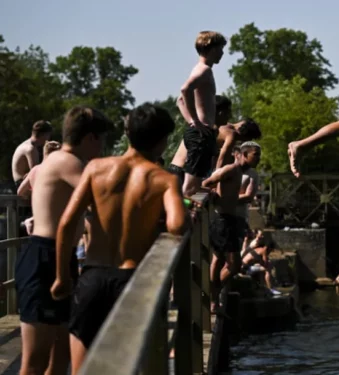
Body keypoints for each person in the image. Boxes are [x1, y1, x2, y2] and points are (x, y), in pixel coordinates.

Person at [50, 104, 186, 374]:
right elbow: (177, 225)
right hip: (132, 280)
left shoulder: (96, 168)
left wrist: (61, 277)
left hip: (93, 278)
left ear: (129, 134)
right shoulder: (164, 179)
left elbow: (66, 223)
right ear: (161, 141)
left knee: (82, 370)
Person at [15, 106, 110, 375]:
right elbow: (104, 200)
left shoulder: (64, 161)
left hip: (60, 257)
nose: (102, 148)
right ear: (90, 138)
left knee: (60, 360)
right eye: (101, 140)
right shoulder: (68, 163)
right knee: (35, 363)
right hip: (43, 259)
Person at [201, 141, 262, 312]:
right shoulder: (230, 170)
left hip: (230, 220)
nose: (258, 158)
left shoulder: (245, 173)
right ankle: (212, 296)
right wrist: (201, 200)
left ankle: (212, 296)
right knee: (230, 263)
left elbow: (248, 196)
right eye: (255, 155)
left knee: (226, 262)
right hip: (222, 220)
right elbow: (207, 183)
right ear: (243, 154)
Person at [177, 31, 227, 197]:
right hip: (200, 134)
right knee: (190, 188)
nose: (222, 53)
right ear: (212, 49)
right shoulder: (204, 70)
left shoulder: (199, 69)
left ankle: (190, 215)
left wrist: (191, 121)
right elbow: (185, 90)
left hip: (202, 132)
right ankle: (183, 217)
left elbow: (179, 101)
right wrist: (196, 122)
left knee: (196, 186)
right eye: (220, 49)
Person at [12, 120, 53, 188]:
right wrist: (47, 154)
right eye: (48, 135)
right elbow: (36, 173)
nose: (48, 138)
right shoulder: (30, 149)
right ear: (43, 135)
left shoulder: (28, 144)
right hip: (23, 185)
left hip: (22, 183)